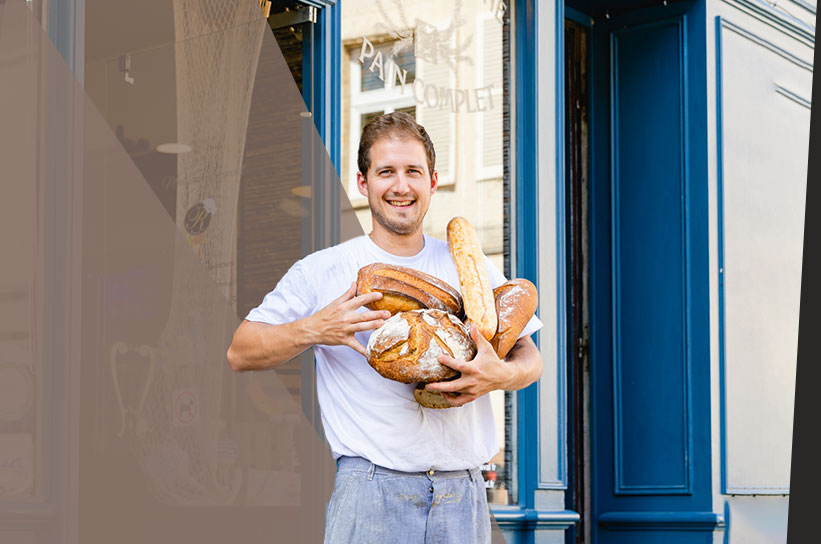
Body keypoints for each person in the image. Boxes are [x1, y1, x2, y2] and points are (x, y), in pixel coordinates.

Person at [226, 112, 544, 543]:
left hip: (463, 493)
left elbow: (530, 357)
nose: (400, 186)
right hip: (370, 492)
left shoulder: (467, 265)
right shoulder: (324, 270)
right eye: (386, 172)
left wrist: (499, 375)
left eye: (413, 171)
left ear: (432, 182)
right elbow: (241, 351)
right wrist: (317, 328)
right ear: (363, 182)